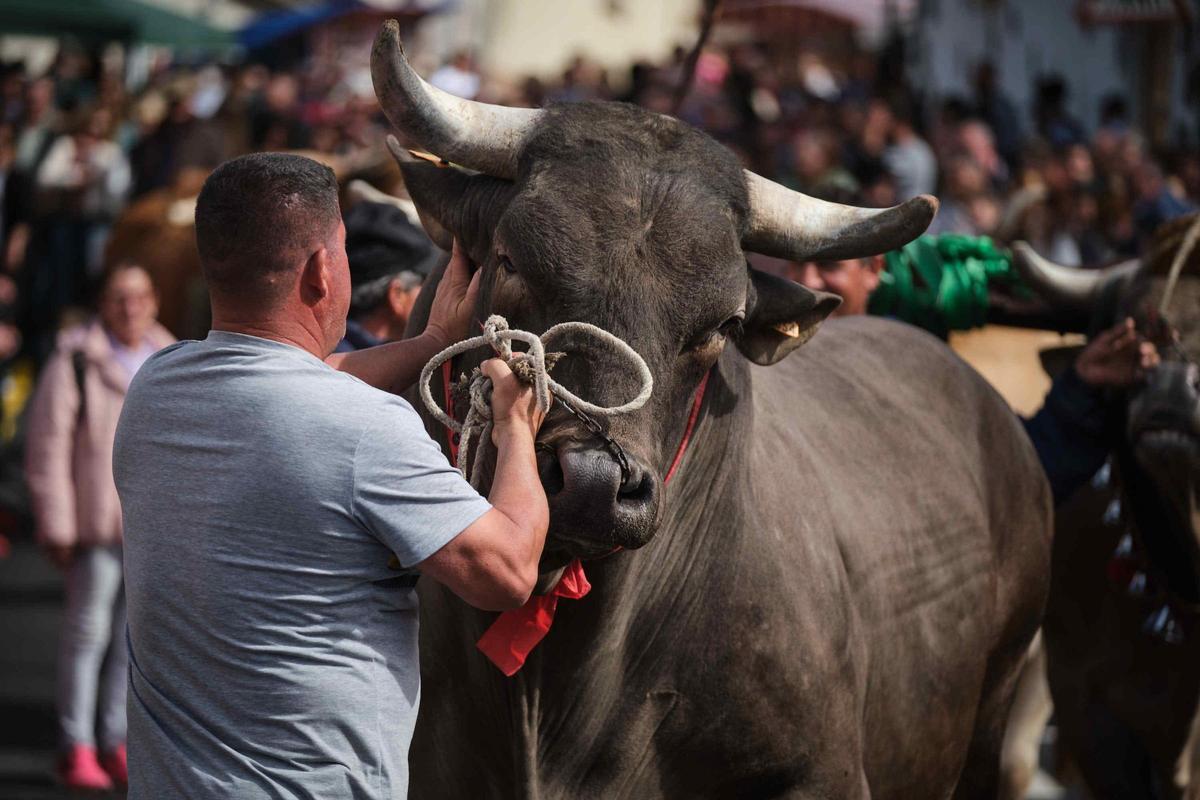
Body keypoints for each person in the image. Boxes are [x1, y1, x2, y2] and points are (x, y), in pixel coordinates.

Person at [114, 153, 550, 799]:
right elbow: (509, 572)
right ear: (323, 270)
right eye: (341, 248)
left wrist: (431, 343)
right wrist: (518, 426)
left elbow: (303, 384)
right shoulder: (364, 428)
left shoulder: (157, 384)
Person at [793, 253, 1159, 504]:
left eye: (828, 264)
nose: (805, 281)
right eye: (792, 263)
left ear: (873, 270)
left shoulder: (909, 366)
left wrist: (1081, 386)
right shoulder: (748, 359)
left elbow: (1009, 478)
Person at [25, 262, 173, 790]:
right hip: (94, 526)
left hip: (146, 525)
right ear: (102, 303)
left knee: (131, 641)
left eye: (138, 296)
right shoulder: (76, 359)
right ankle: (76, 744)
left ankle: (114, 739)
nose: (129, 307)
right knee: (87, 636)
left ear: (153, 300)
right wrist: (57, 525)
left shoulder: (167, 353)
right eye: (117, 297)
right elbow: (47, 447)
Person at [335, 199, 443, 352]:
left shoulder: (323, 355)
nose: (438, 295)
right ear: (397, 295)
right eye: (429, 284)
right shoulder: (397, 370)